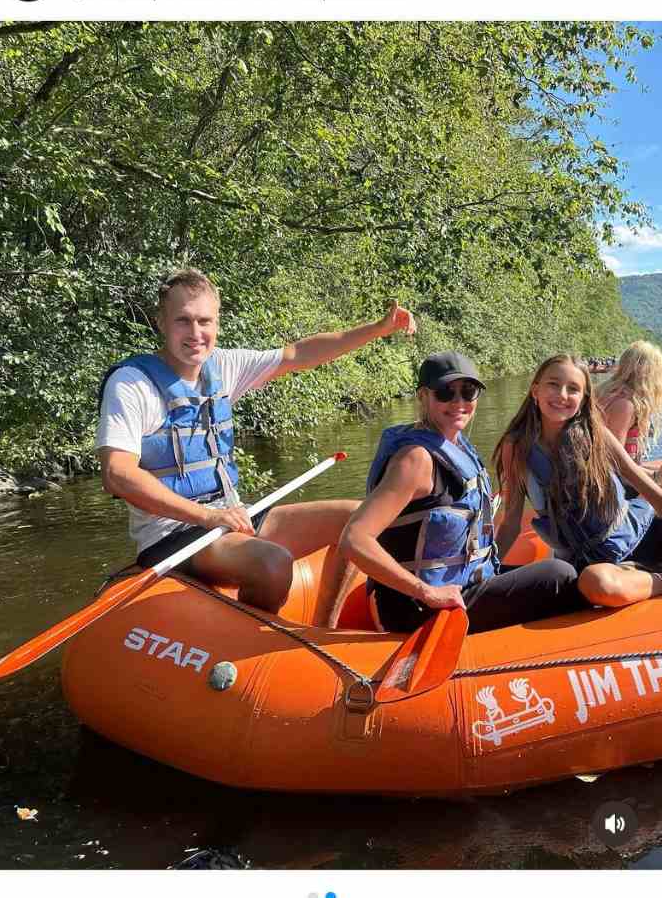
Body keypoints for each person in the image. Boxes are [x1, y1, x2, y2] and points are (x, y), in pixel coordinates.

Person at [97, 267, 415, 620]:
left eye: (205, 321)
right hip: (174, 533)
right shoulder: (131, 384)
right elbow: (117, 474)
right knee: (273, 562)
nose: (196, 333)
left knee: (360, 519)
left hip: (231, 517)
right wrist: (208, 515)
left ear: (217, 322)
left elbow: (299, 354)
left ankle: (323, 628)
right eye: (183, 321)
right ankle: (245, 645)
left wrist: (379, 329)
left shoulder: (222, 366)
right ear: (161, 321)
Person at [339, 351, 583, 634]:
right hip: (417, 608)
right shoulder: (415, 460)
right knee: (558, 575)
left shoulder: (457, 446)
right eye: (445, 393)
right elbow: (353, 539)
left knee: (559, 571)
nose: (459, 403)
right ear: (423, 396)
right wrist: (427, 592)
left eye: (468, 392)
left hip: (464, 587)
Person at [493, 354, 662, 609]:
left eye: (573, 389)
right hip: (592, 567)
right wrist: (486, 573)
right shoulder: (516, 446)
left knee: (598, 581)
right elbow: (511, 523)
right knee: (597, 583)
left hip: (639, 538)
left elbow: (639, 481)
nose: (562, 394)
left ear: (583, 400)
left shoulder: (595, 434)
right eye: (553, 384)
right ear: (535, 390)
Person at [597, 340, 662, 472]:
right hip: (615, 482)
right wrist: (653, 476)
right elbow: (613, 462)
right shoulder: (625, 404)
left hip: (624, 473)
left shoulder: (607, 391)